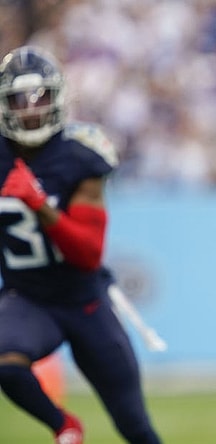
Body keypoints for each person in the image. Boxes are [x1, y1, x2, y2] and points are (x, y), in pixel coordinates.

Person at [0, 46, 161, 444]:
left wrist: (39, 204)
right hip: (28, 297)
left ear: (58, 100)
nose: (30, 111)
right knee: (4, 363)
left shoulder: (79, 153)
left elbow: (87, 254)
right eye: (19, 101)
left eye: (39, 99)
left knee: (134, 426)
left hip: (84, 300)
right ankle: (65, 427)